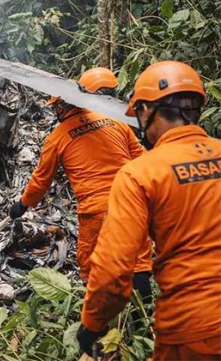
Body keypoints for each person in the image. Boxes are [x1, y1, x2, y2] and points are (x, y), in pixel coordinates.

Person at [77, 61, 221, 360]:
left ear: (145, 110)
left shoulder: (140, 174)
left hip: (194, 327)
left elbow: (114, 269)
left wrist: (92, 324)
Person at [11, 68, 153, 290]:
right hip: (131, 201)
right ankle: (143, 310)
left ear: (61, 106)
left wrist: (23, 204)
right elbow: (143, 159)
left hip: (96, 210)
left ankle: (97, 308)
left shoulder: (57, 137)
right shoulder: (114, 122)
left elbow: (41, 180)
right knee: (138, 262)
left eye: (55, 107)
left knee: (92, 263)